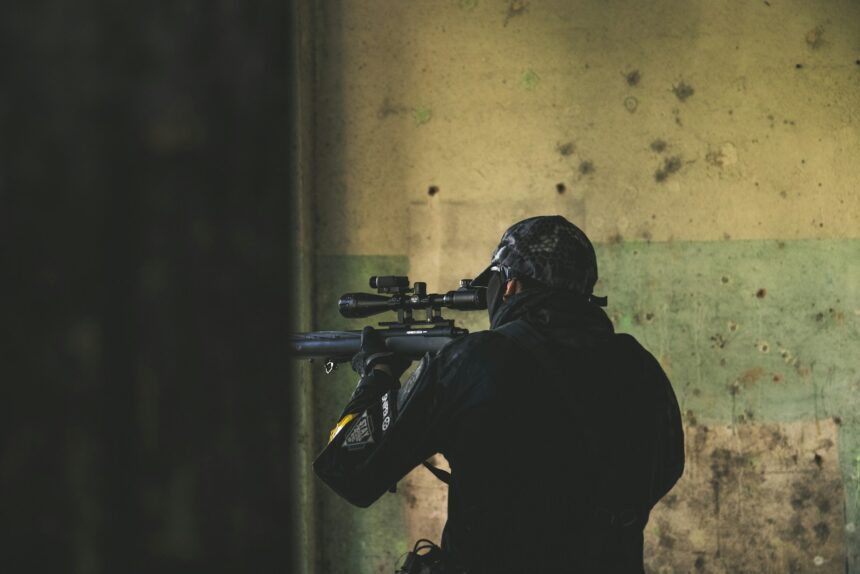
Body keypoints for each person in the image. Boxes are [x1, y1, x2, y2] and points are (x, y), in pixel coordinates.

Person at [314, 215, 685, 574]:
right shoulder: (638, 364)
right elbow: (668, 467)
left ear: (509, 285)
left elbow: (347, 469)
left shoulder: (474, 360)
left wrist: (375, 376)